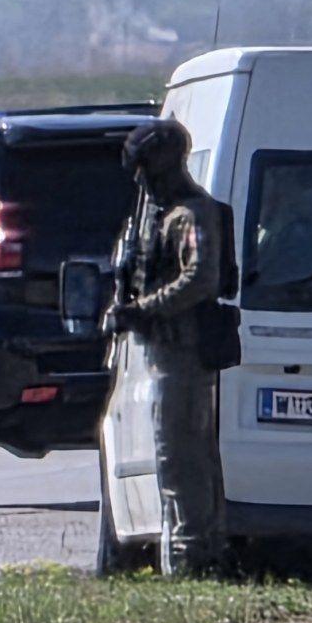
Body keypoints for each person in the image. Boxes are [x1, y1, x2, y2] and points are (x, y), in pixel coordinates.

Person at [106, 118, 228, 576]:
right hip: (158, 352)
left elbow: (201, 278)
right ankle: (187, 555)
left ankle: (192, 558)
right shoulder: (154, 213)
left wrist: (147, 309)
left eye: (145, 168)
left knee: (180, 459)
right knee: (171, 456)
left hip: (184, 353)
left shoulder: (191, 215)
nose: (139, 179)